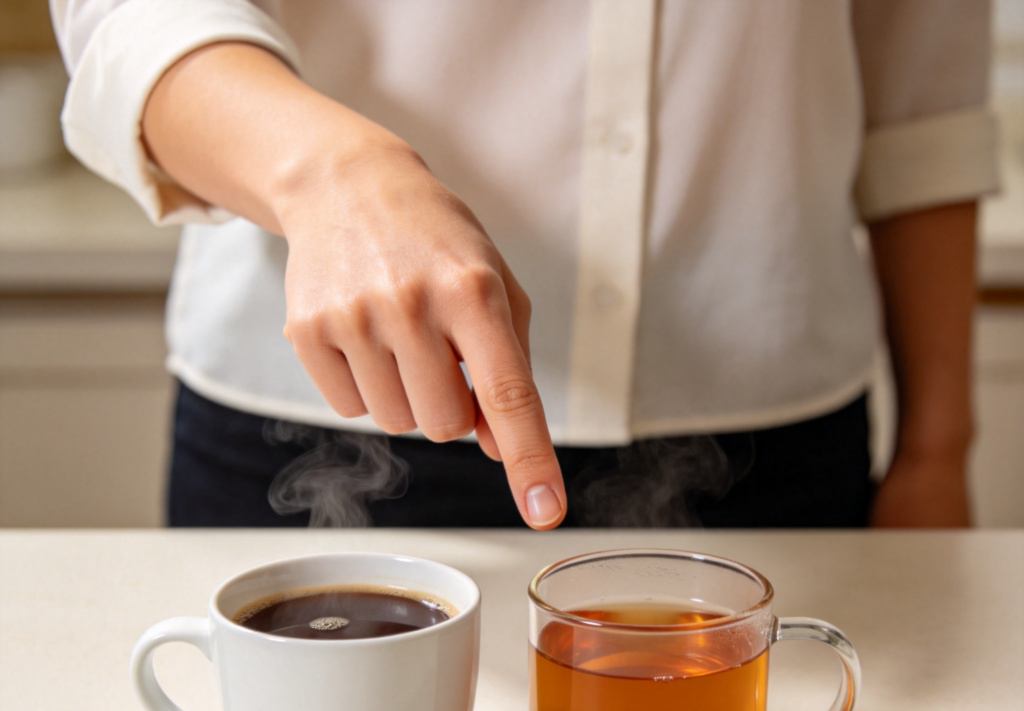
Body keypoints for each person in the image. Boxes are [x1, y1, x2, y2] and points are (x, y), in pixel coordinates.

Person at [50, 0, 1000, 529]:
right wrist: (333, 176)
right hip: (326, 411)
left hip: (773, 440)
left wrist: (935, 450)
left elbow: (923, 85)